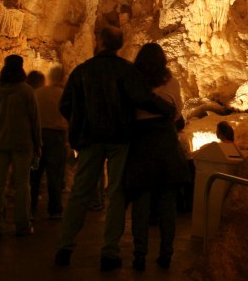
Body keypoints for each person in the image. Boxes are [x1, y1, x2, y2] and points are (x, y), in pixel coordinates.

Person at [55, 27, 175, 272]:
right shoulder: (126, 71)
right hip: (120, 139)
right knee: (116, 194)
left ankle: (65, 247)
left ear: (99, 42)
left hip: (90, 139)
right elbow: (143, 99)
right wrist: (167, 109)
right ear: (119, 45)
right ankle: (109, 252)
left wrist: (79, 125)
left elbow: (65, 105)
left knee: (80, 192)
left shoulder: (82, 71)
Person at [127, 42, 189, 271]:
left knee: (141, 203)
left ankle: (139, 254)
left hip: (141, 142)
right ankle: (166, 254)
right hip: (165, 141)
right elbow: (177, 114)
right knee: (167, 204)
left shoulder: (135, 83)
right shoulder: (171, 83)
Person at [0, 55, 41, 237]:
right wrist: (38, 143)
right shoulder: (26, 91)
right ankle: (22, 224)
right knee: (22, 184)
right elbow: (34, 120)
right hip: (22, 142)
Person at [30, 67, 67, 220]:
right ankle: (55, 209)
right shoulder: (63, 95)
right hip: (57, 136)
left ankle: (30, 208)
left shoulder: (38, 93)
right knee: (55, 175)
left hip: (38, 135)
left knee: (34, 174)